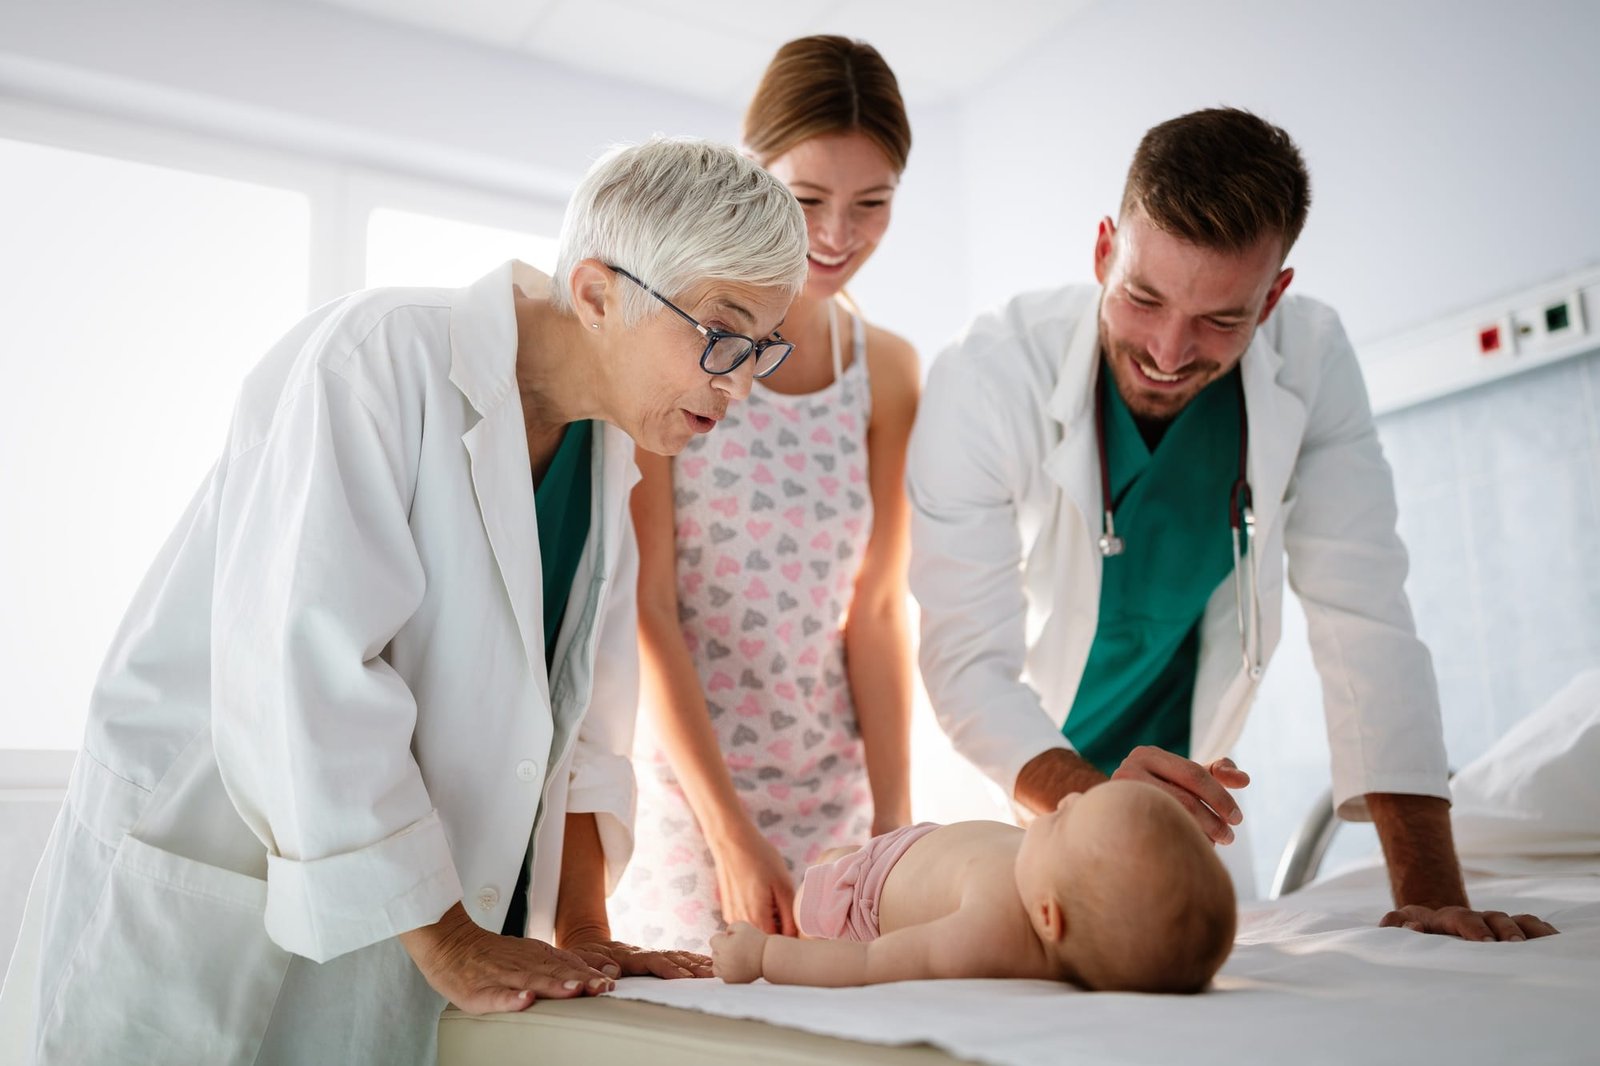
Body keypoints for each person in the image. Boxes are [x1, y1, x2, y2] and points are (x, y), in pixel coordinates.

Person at [2, 137, 809, 1066]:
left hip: (403, 948)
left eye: (762, 347)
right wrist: (449, 938)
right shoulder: (376, 359)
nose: (742, 380)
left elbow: (578, 730)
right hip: (211, 906)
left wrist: (585, 928)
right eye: (721, 332)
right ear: (596, 294)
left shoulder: (609, 456)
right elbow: (304, 670)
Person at [906, 107, 1557, 943]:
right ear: (1105, 249)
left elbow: (1365, 619)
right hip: (1015, 785)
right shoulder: (990, 375)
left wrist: (1433, 891)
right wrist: (1097, 804)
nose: (1170, 353)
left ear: (1275, 295)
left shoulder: (1312, 359)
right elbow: (967, 662)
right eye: (1143, 298)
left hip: (1185, 803)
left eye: (1221, 320)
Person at [610, 36, 921, 952]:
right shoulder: (678, 341)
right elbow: (649, 606)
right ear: (753, 176)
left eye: (872, 205)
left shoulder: (889, 372)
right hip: (689, 799)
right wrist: (728, 833)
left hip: (834, 794)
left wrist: (895, 830)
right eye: (807, 199)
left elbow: (874, 614)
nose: (836, 235)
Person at [710, 779, 1236, 993]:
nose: (1069, 799)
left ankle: (810, 907)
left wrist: (763, 957)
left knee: (821, 877)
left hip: (858, 892)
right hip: (919, 845)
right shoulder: (1052, 883)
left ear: (1048, 917)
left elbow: (870, 965)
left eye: (1061, 822)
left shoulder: (986, 933)